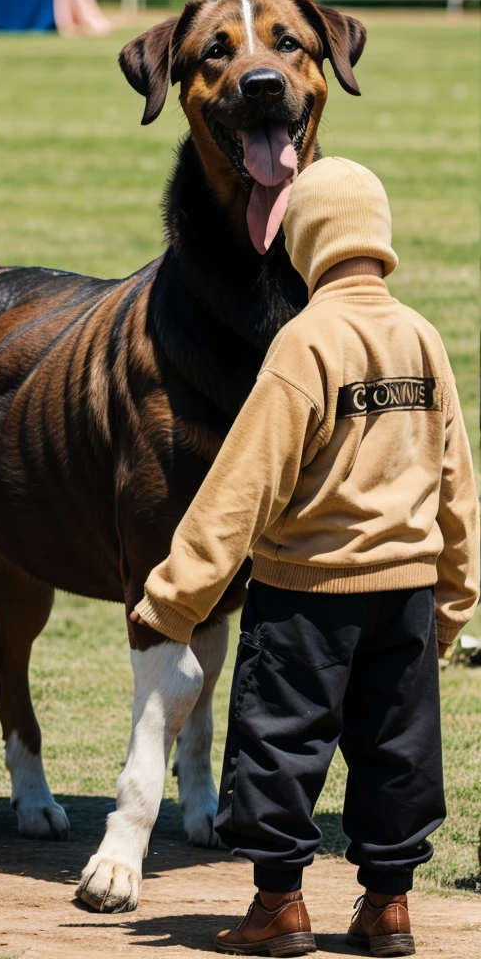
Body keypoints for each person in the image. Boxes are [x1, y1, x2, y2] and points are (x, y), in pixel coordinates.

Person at [131, 157, 480, 957]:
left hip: (307, 594)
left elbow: (241, 485)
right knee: (400, 753)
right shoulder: (421, 337)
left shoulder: (305, 341)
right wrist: (453, 603)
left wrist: (176, 598)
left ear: (304, 241)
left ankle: (279, 907)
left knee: (279, 743)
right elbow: (458, 484)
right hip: (407, 594)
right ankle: (388, 908)